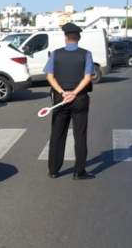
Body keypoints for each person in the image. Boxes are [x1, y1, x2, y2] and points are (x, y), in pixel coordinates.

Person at [44, 23, 96, 180]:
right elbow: (88, 77)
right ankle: (79, 172)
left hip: (60, 99)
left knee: (57, 134)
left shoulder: (55, 54)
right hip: (79, 98)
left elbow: (49, 76)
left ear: (65, 37)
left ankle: (53, 170)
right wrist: (74, 93)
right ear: (79, 37)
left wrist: (62, 92)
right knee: (80, 135)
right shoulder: (86, 54)